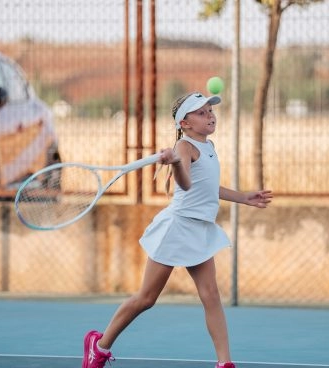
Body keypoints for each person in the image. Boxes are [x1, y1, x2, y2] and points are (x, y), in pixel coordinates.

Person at [82, 92, 273, 368]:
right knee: (146, 298)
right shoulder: (184, 148)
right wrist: (174, 164)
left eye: (210, 110)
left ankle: (225, 363)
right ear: (184, 123)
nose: (210, 115)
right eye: (201, 112)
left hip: (200, 229)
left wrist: (243, 197)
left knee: (211, 296)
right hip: (178, 228)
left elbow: (207, 186)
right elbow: (184, 184)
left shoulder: (209, 145)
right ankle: (98, 346)